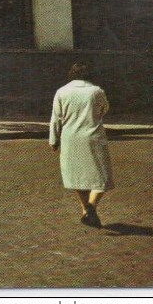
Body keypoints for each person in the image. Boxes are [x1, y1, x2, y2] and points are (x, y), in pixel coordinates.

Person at [49, 64, 114, 228]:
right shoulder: (96, 91)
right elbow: (104, 109)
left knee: (78, 177)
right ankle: (90, 208)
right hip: (93, 137)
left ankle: (87, 211)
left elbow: (56, 118)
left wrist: (53, 140)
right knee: (102, 177)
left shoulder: (61, 92)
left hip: (70, 139)